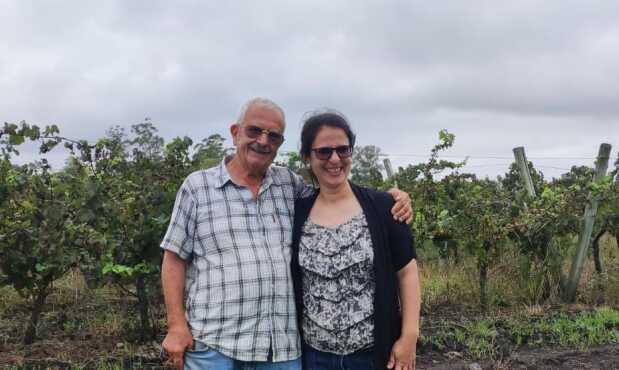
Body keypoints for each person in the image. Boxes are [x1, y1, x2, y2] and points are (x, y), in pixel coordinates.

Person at [160, 98, 413, 370]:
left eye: (274, 135)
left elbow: (336, 192)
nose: (263, 141)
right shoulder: (197, 188)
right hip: (214, 345)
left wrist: (390, 198)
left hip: (279, 349)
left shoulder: (288, 186)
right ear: (235, 133)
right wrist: (176, 325)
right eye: (254, 131)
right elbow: (175, 258)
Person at [290, 110, 421, 370]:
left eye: (343, 150)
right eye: (324, 151)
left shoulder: (384, 207)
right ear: (307, 157)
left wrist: (409, 337)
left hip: (373, 355)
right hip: (314, 356)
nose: (335, 159)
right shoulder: (297, 211)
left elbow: (407, 273)